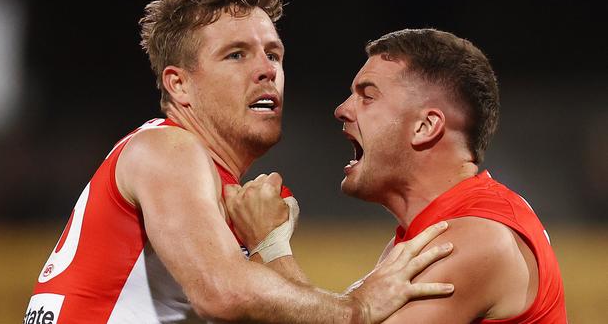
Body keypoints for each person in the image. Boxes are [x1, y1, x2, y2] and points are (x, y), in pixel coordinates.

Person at [24, 0, 456, 324]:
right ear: (180, 84)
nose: (266, 70)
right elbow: (222, 292)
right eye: (236, 55)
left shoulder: (220, 193)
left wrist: (271, 247)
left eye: (274, 54)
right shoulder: (167, 148)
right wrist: (357, 307)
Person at [226, 28, 567, 323]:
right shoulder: (435, 232)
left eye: (367, 96)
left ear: (425, 126)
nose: (342, 109)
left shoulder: (473, 238)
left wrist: (268, 244)